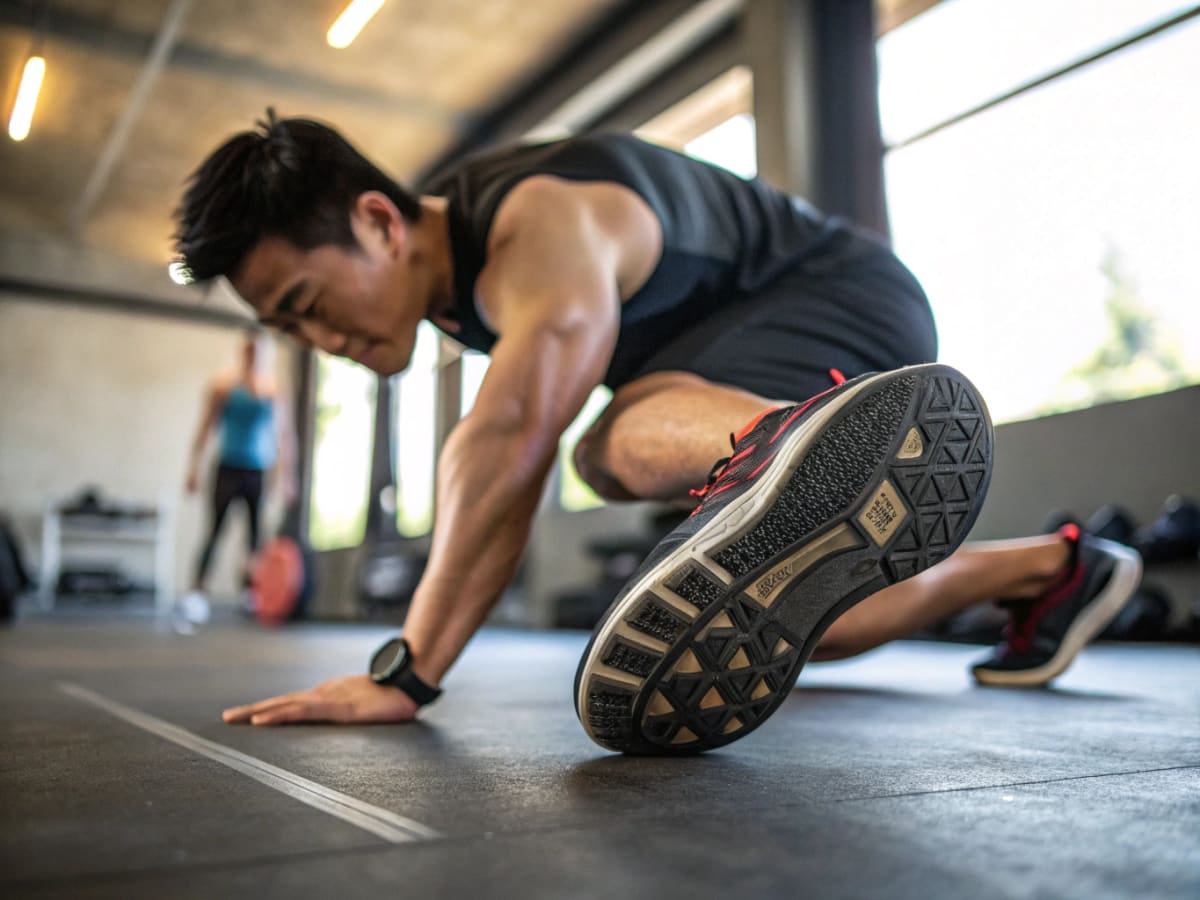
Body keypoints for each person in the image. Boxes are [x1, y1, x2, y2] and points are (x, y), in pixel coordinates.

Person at [173, 113, 1141, 753]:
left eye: (306, 303)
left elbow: (507, 437)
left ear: (379, 221)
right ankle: (1053, 571)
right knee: (816, 612)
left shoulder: (530, 224)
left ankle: (803, 441)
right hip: (792, 336)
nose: (317, 341)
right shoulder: (460, 269)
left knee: (606, 445)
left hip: (843, 297)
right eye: (288, 329)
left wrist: (408, 671)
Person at [179, 330, 295, 625]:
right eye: (250, 350)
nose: (254, 356)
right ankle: (197, 593)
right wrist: (192, 468)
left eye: (260, 351)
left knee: (255, 538)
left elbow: (284, 437)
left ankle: (251, 593)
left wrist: (286, 478)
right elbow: (205, 428)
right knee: (215, 530)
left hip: (257, 469)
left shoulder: (273, 390)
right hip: (228, 466)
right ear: (242, 352)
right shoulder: (223, 386)